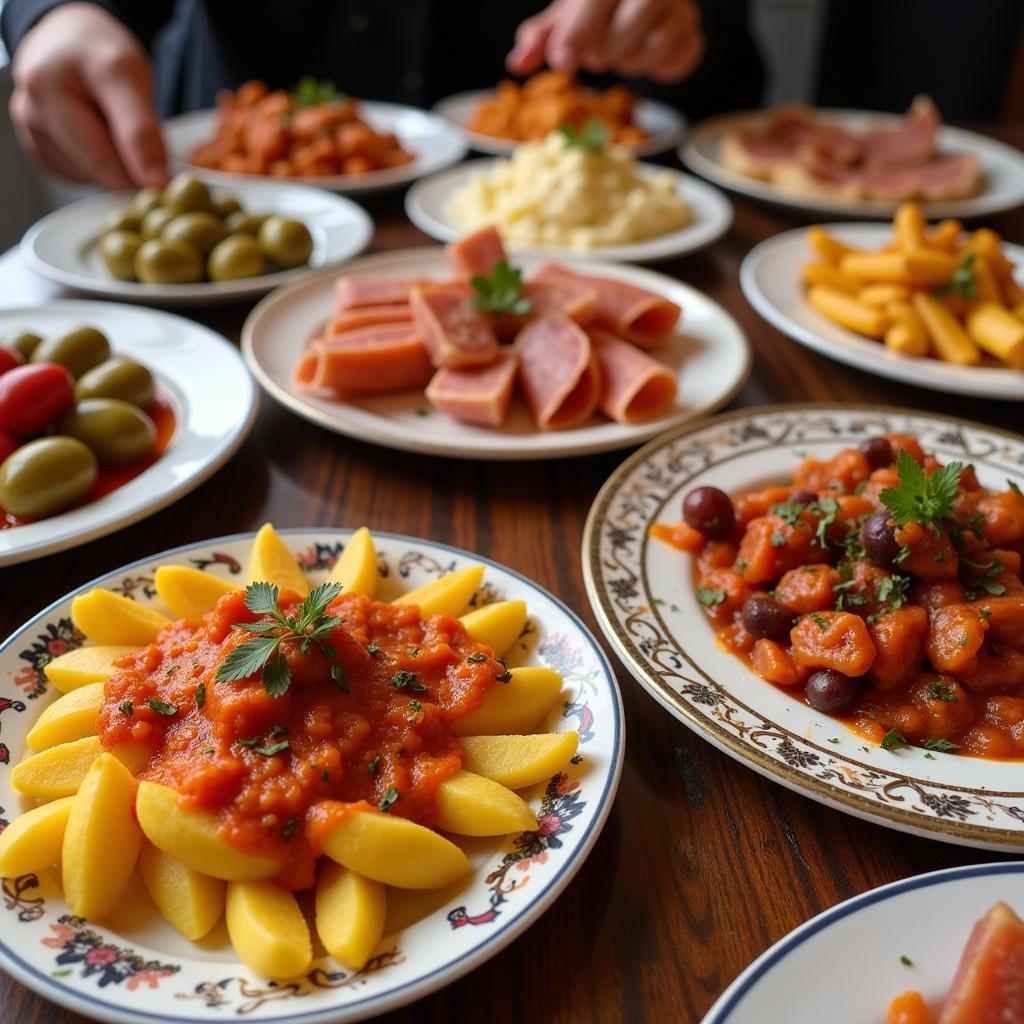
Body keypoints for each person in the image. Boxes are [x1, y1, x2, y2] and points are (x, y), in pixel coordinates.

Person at [1, 0, 764, 190]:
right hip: (230, 195)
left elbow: (729, 67)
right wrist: (56, 13)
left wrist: (685, 22)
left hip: (556, 211)